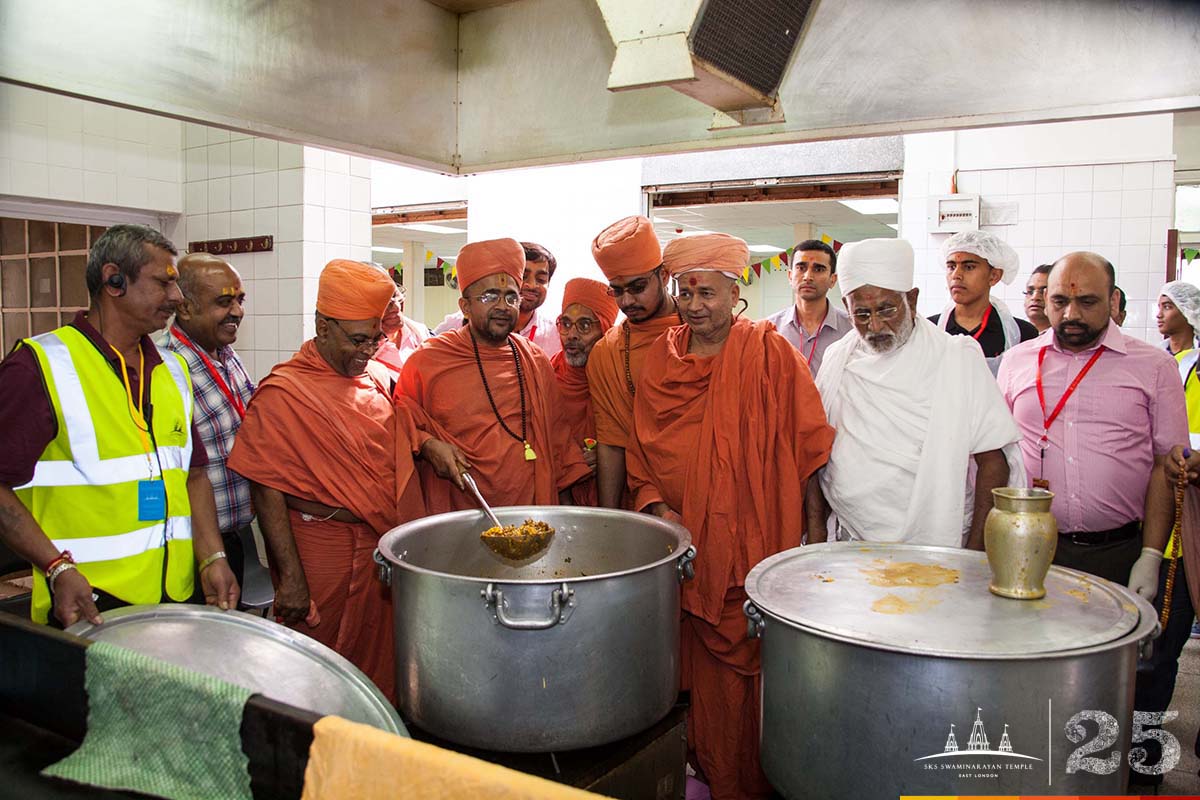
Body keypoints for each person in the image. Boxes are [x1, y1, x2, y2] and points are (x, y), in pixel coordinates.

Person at [626, 233, 834, 800]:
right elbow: (643, 453)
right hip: (684, 552)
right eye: (685, 292)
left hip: (755, 549)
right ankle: (707, 774)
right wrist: (659, 509)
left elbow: (808, 451)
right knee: (694, 684)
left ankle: (750, 783)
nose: (695, 305)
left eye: (707, 293)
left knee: (753, 682)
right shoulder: (662, 358)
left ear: (735, 292)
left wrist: (814, 539)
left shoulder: (772, 356)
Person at [228, 259, 465, 700]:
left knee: (380, 660)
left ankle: (370, 732)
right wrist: (291, 577)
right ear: (322, 326)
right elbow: (265, 486)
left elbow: (404, 420)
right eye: (358, 339)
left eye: (376, 337)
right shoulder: (284, 392)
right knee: (315, 666)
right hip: (322, 546)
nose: (369, 349)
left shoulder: (376, 377)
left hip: (380, 544)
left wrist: (429, 442)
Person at [0, 224, 238, 627]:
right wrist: (56, 567)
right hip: (88, 600)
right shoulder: (40, 366)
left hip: (175, 595)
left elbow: (194, 475)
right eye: (164, 282)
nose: (177, 297)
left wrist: (212, 556)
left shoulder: (172, 369)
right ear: (114, 281)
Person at [808, 238, 1023, 549]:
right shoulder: (838, 359)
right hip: (851, 541)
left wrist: (975, 555)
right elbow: (817, 455)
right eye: (862, 314)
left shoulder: (956, 357)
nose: (875, 325)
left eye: (886, 309)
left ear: (912, 299)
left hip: (939, 544)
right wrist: (816, 540)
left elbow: (994, 462)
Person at [996, 252, 1187, 589]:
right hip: (1028, 545)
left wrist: (1151, 555)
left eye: (1087, 302)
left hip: (1118, 553)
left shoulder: (1154, 367)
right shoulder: (1016, 362)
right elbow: (998, 451)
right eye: (1060, 301)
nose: (1072, 314)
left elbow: (1166, 466)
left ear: (1113, 300)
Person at [398, 238, 590, 512]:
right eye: (489, 297)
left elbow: (557, 440)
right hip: (457, 507)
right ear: (465, 306)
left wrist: (564, 515)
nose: (502, 306)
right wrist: (428, 445)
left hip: (528, 510)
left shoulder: (534, 359)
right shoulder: (428, 361)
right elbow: (401, 420)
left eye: (511, 297)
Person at [165, 253, 255, 588]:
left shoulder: (226, 354)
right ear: (185, 308)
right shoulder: (166, 365)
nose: (237, 311)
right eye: (223, 302)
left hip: (233, 537)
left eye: (240, 300)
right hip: (192, 547)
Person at [586, 215, 680, 508]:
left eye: (637, 287)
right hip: (641, 500)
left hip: (709, 492)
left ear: (664, 275)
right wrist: (609, 521)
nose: (626, 301)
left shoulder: (702, 332)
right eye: (617, 290)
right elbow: (611, 444)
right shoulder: (607, 352)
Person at [930, 230, 1039, 375]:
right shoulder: (928, 330)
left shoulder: (1022, 334)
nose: (956, 275)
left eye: (969, 267)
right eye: (951, 267)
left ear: (994, 276)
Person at [550, 278, 618, 506]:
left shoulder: (619, 377)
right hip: (560, 499)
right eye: (566, 323)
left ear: (605, 329)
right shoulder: (546, 375)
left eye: (585, 325)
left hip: (615, 496)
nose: (571, 335)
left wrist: (608, 454)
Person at [432, 241, 561, 357]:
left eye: (541, 279)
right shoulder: (457, 324)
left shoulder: (556, 333)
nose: (532, 285)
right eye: (523, 277)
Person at [761, 239, 852, 376]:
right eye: (801, 268)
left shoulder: (852, 330)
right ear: (790, 276)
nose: (808, 277)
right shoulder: (769, 329)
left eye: (818, 269)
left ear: (832, 280)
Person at [372, 276, 430, 381]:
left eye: (395, 296)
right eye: (383, 302)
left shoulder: (421, 334)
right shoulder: (359, 354)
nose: (396, 307)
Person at [1157, 280, 1200, 357]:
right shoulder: (1156, 354)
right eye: (1159, 307)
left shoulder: (1197, 355)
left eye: (1167, 307)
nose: (1159, 315)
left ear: (1188, 310)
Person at [1023, 263, 1052, 333]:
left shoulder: (1068, 337)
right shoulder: (1013, 334)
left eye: (1043, 292)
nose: (1035, 297)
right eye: (1030, 292)